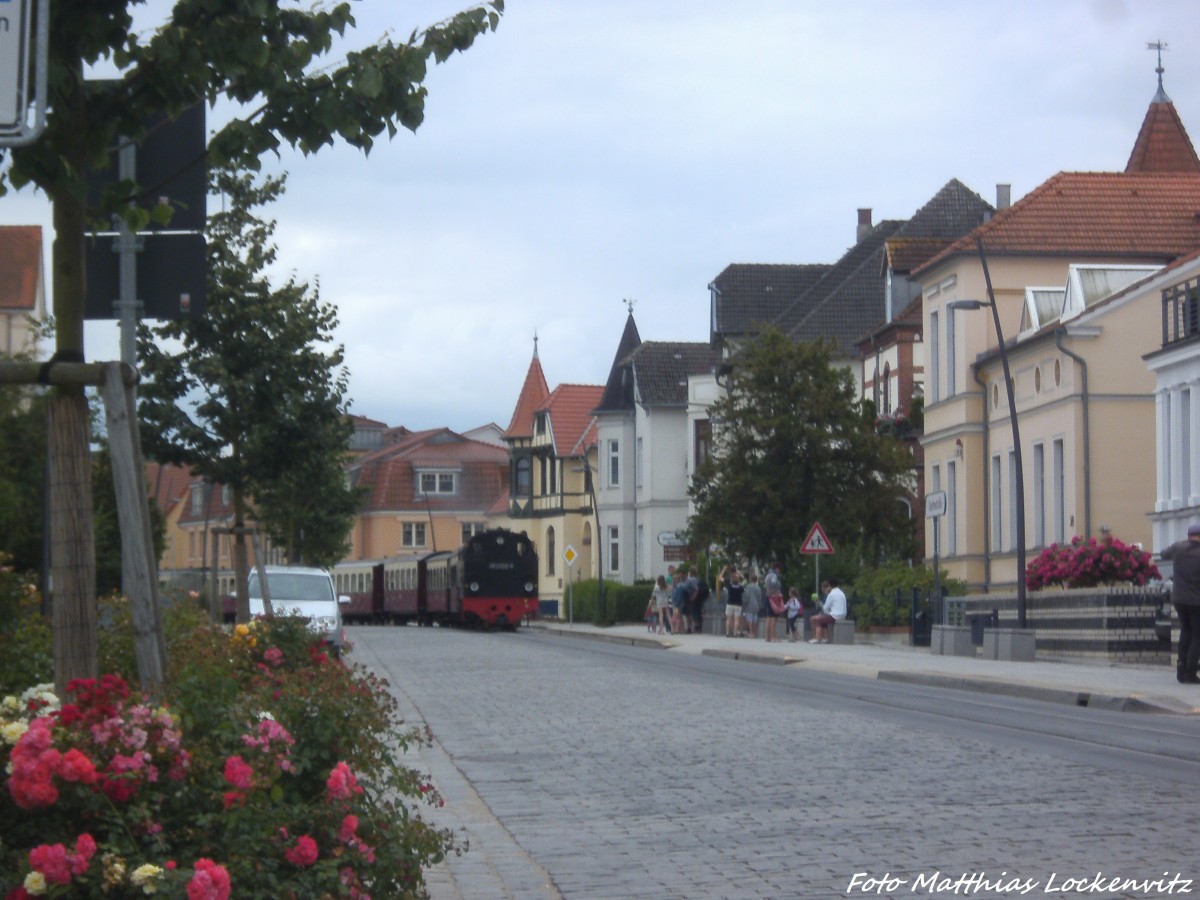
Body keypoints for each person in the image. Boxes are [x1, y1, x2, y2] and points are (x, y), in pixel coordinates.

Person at [1161, 524, 1200, 683]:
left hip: (1179, 599)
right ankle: (1190, 672)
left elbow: (1163, 554)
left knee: (1186, 631)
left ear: (1189, 535)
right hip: (1196, 601)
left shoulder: (1178, 547)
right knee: (1197, 636)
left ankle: (1181, 667)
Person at [810, 578, 847, 644]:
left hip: (835, 615)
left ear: (830, 585)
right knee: (824, 620)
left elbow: (825, 608)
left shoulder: (831, 594)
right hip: (843, 615)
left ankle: (817, 639)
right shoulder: (842, 593)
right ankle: (825, 639)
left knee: (819, 620)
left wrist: (818, 602)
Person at [762, 565, 783, 643]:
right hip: (773, 597)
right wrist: (776, 592)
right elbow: (774, 584)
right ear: (777, 569)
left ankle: (767, 637)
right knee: (773, 617)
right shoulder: (774, 575)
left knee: (769, 617)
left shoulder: (767, 575)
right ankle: (773, 637)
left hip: (768, 596)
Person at [723, 569, 744, 637]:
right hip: (738, 604)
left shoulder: (729, 587)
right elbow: (742, 579)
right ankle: (735, 633)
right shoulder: (740, 588)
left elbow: (724, 580)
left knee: (728, 619)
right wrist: (738, 573)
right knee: (736, 619)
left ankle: (727, 632)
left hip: (730, 603)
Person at [741, 573, 762, 638]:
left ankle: (751, 632)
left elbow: (747, 596)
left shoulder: (749, 587)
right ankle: (755, 633)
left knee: (750, 619)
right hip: (756, 605)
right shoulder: (758, 588)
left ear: (750, 579)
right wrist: (759, 605)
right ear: (756, 580)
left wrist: (744, 603)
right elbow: (759, 597)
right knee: (755, 619)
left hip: (750, 604)